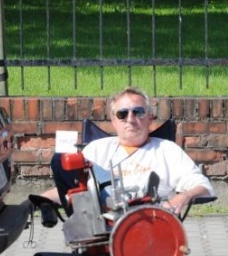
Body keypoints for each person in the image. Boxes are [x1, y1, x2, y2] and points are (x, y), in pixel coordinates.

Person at [40, 86, 214, 217]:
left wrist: (183, 197)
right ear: (113, 121)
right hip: (101, 227)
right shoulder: (97, 149)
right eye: (122, 114)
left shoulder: (167, 150)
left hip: (154, 224)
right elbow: (71, 189)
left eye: (138, 112)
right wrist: (35, 201)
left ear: (150, 118)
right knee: (60, 161)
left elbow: (204, 187)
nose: (130, 119)